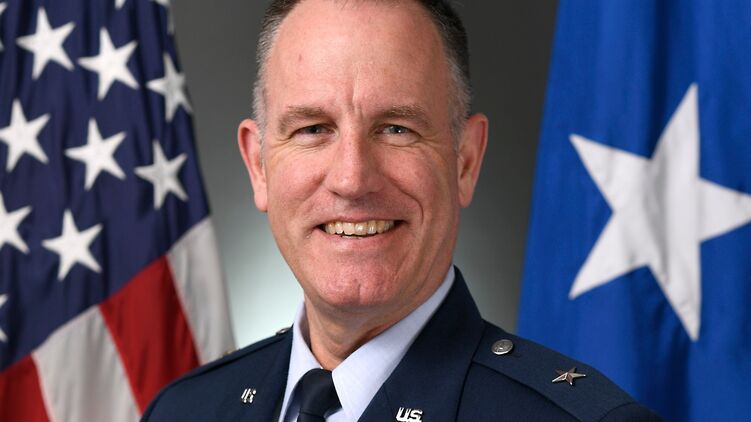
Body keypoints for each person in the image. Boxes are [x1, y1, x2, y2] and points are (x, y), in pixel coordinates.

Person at [143, 0, 660, 420]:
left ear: (465, 161)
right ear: (259, 166)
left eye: (396, 128)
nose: (352, 179)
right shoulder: (184, 412)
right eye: (313, 129)